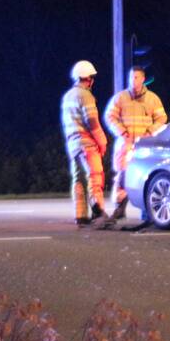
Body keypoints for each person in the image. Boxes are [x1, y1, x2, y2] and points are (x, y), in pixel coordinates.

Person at [104, 66, 168, 219]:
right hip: (126, 144)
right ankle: (120, 208)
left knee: (145, 177)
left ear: (143, 79)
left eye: (136, 77)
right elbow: (109, 117)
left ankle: (147, 213)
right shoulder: (120, 98)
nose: (133, 81)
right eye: (131, 77)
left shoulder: (152, 99)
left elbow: (162, 118)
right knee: (122, 177)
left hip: (144, 145)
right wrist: (122, 132)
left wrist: (150, 132)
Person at [61, 60, 110, 227]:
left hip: (72, 145)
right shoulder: (86, 96)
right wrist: (102, 142)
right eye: (92, 78)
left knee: (78, 179)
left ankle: (80, 216)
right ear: (88, 79)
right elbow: (92, 122)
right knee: (95, 176)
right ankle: (98, 212)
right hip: (86, 144)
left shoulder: (67, 96)